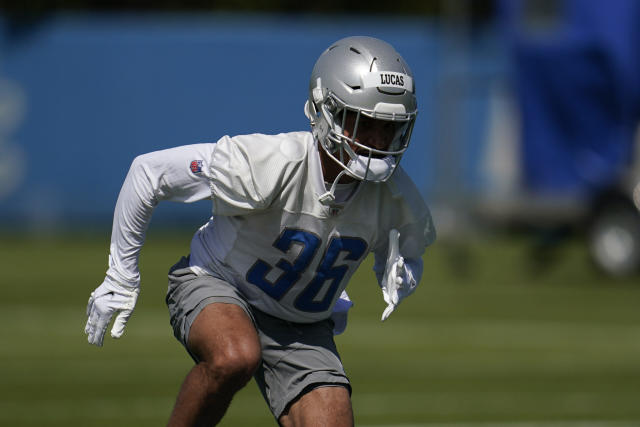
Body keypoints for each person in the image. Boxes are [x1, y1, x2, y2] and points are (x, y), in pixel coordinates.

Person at [84, 35, 435, 427]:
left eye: (388, 129)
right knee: (236, 355)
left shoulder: (396, 198)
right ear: (327, 111)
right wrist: (121, 274)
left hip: (302, 325)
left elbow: (406, 247)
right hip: (219, 282)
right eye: (366, 124)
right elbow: (148, 173)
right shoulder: (273, 162)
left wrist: (397, 262)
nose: (378, 143)